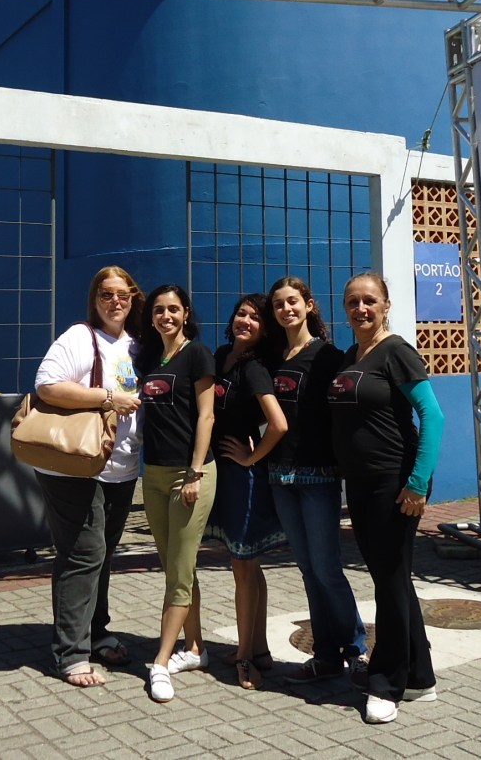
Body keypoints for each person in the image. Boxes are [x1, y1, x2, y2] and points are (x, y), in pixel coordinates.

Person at [330, 272, 445, 724]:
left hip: (395, 484)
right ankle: (419, 676)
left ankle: (386, 683)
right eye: (353, 302)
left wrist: (417, 483)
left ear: (386, 305)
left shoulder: (396, 351)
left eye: (369, 300)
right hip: (361, 485)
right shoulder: (351, 356)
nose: (361, 308)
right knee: (391, 579)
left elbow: (432, 416)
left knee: (390, 580)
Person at [33, 266, 144, 688]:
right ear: (94, 299)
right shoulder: (80, 337)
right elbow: (47, 386)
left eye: (122, 294)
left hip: (120, 467)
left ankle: (97, 633)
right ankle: (70, 654)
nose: (115, 302)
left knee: (102, 554)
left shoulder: (136, 344)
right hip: (74, 466)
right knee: (83, 554)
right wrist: (108, 397)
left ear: (133, 298)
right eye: (106, 294)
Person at [266, 275, 367, 683]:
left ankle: (356, 650)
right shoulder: (272, 357)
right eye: (279, 304)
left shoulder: (329, 356)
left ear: (309, 305)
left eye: (293, 301)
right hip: (280, 476)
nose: (286, 309)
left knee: (327, 568)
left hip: (318, 476)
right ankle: (325, 655)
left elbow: (343, 413)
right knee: (308, 569)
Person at [134, 284, 217, 703]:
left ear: (186, 313)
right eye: (158, 310)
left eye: (173, 309)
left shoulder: (197, 354)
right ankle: (196, 649)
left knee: (179, 572)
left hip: (190, 474)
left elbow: (206, 415)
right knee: (176, 567)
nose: (166, 316)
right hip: (153, 474)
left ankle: (161, 662)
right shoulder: (151, 359)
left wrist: (195, 471)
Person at [206, 293, 288, 690]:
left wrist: (251, 458)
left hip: (243, 477)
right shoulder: (223, 355)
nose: (246, 321)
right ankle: (258, 648)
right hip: (224, 473)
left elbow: (279, 424)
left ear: (264, 330)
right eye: (242, 313)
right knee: (248, 566)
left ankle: (244, 658)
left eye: (256, 318)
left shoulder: (254, 368)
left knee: (243, 565)